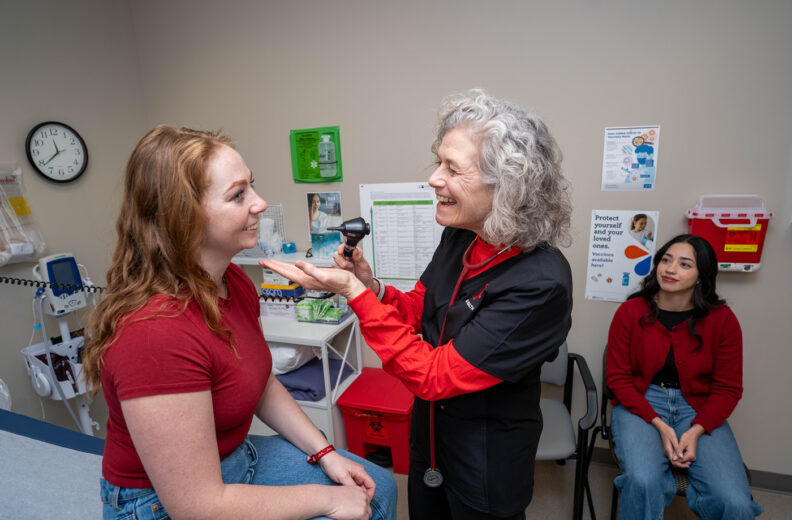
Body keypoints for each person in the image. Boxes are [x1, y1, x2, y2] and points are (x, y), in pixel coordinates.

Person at [263, 90, 573, 520]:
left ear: (507, 184)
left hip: (484, 456)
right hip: (430, 435)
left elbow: (433, 375)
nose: (433, 179)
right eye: (438, 162)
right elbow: (420, 310)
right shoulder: (462, 236)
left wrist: (353, 294)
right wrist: (369, 285)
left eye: (452, 168)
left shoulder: (540, 283)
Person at [81, 125, 396, 520]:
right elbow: (198, 507)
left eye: (252, 186)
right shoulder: (153, 333)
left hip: (232, 459)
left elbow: (259, 381)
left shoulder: (235, 284)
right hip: (163, 504)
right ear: (183, 216)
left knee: (377, 489)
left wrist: (325, 452)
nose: (261, 203)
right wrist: (329, 499)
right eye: (238, 195)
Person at [606, 234, 763, 519]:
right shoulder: (630, 312)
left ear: (702, 276)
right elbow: (618, 380)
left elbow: (728, 388)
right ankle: (658, 481)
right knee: (643, 482)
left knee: (735, 502)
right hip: (641, 402)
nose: (670, 269)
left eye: (684, 264)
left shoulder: (723, 320)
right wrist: (662, 427)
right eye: (666, 260)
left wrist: (695, 430)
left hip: (698, 407)